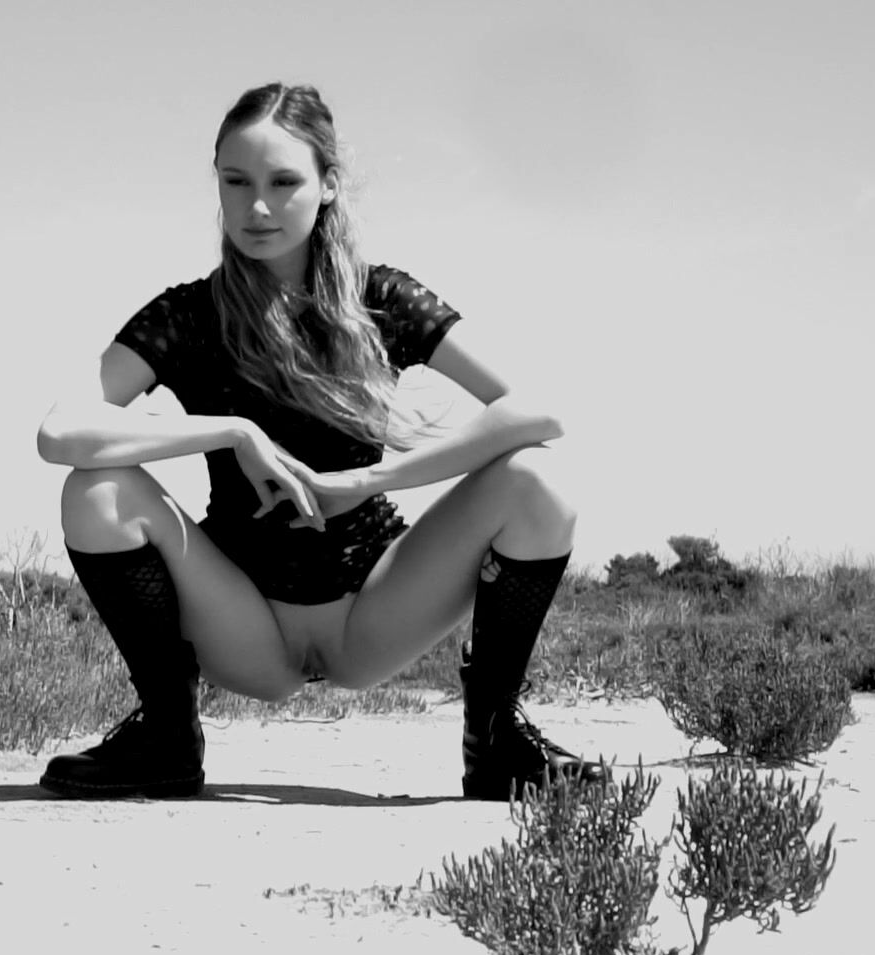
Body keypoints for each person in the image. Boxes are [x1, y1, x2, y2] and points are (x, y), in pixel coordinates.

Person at [33, 82, 609, 801]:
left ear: (328, 185)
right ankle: (166, 737)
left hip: (373, 608)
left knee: (538, 480)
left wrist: (369, 482)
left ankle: (495, 742)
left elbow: (540, 409)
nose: (257, 207)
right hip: (244, 621)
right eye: (236, 182)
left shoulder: (383, 300)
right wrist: (233, 431)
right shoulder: (188, 315)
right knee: (94, 490)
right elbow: (59, 432)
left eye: (283, 182)